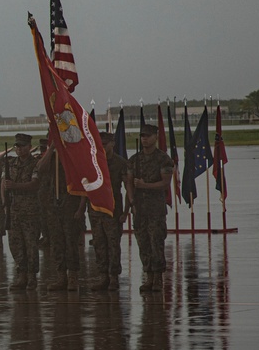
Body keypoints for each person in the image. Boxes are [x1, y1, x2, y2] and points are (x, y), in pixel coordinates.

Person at [129, 123, 174, 292]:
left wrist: (144, 185)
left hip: (155, 209)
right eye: (142, 136)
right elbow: (129, 183)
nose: (144, 139)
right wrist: (132, 202)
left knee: (156, 243)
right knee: (143, 244)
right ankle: (148, 276)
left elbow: (165, 184)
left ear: (155, 137)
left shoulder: (163, 159)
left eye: (148, 136)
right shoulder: (134, 160)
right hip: (140, 209)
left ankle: (157, 279)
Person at [36, 144, 85, 291]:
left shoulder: (75, 156)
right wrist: (51, 149)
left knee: (71, 243)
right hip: (53, 206)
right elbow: (39, 168)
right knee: (57, 243)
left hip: (70, 204)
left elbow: (84, 184)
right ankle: (61, 276)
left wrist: (81, 208)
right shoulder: (51, 157)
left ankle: (73, 278)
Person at [91, 132, 132, 291]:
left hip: (113, 210)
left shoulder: (120, 163)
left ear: (113, 144)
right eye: (100, 143)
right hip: (95, 210)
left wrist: (126, 211)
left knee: (113, 245)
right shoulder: (94, 162)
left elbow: (128, 188)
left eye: (105, 143)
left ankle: (114, 277)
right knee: (99, 244)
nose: (102, 146)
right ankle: (103, 277)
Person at [3, 134, 41, 291]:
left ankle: (32, 277)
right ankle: (21, 274)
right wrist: (5, 204)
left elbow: (35, 185)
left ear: (29, 146)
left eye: (22, 146)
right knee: (16, 244)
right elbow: (4, 184)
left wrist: (15, 186)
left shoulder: (35, 164)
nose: (19, 149)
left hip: (30, 211)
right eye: (17, 146)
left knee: (31, 245)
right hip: (14, 210)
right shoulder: (11, 163)